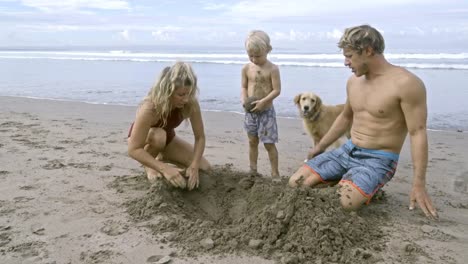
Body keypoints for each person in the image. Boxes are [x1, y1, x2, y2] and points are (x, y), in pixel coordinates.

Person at [288, 25, 438, 219]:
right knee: (296, 183)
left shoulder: (406, 84)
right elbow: (345, 117)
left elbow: (417, 132)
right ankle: (348, 181)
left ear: (368, 51)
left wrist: (419, 184)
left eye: (349, 56)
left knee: (343, 202)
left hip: (378, 159)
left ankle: (360, 188)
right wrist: (320, 147)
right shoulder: (354, 82)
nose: (345, 62)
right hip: (347, 150)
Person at [128, 61, 210, 190]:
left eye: (189, 93)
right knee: (159, 136)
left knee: (204, 167)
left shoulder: (190, 103)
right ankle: (150, 165)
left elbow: (200, 137)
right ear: (168, 91)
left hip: (168, 137)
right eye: (181, 95)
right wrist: (165, 169)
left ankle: (162, 158)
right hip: (146, 139)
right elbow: (133, 149)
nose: (186, 99)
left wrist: (193, 166)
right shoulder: (150, 108)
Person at [241, 30, 282, 181]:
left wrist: (264, 101)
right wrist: (244, 99)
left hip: (266, 113)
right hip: (250, 112)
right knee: (252, 142)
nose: (254, 59)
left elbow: (277, 90)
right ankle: (253, 170)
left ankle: (275, 173)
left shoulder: (272, 69)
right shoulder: (246, 68)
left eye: (257, 56)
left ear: (268, 50)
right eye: (250, 55)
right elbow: (244, 87)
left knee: (269, 144)